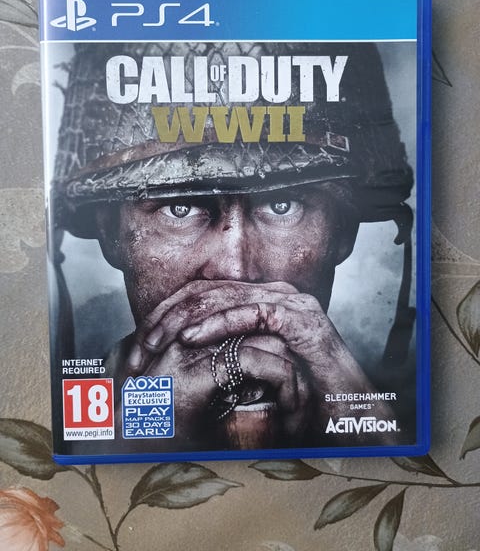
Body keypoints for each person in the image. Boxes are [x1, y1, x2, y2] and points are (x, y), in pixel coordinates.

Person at [51, 41, 415, 452]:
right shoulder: (70, 420)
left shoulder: (406, 406)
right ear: (109, 232)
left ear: (344, 233)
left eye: (283, 205)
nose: (235, 269)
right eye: (181, 208)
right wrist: (128, 450)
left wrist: (371, 433)